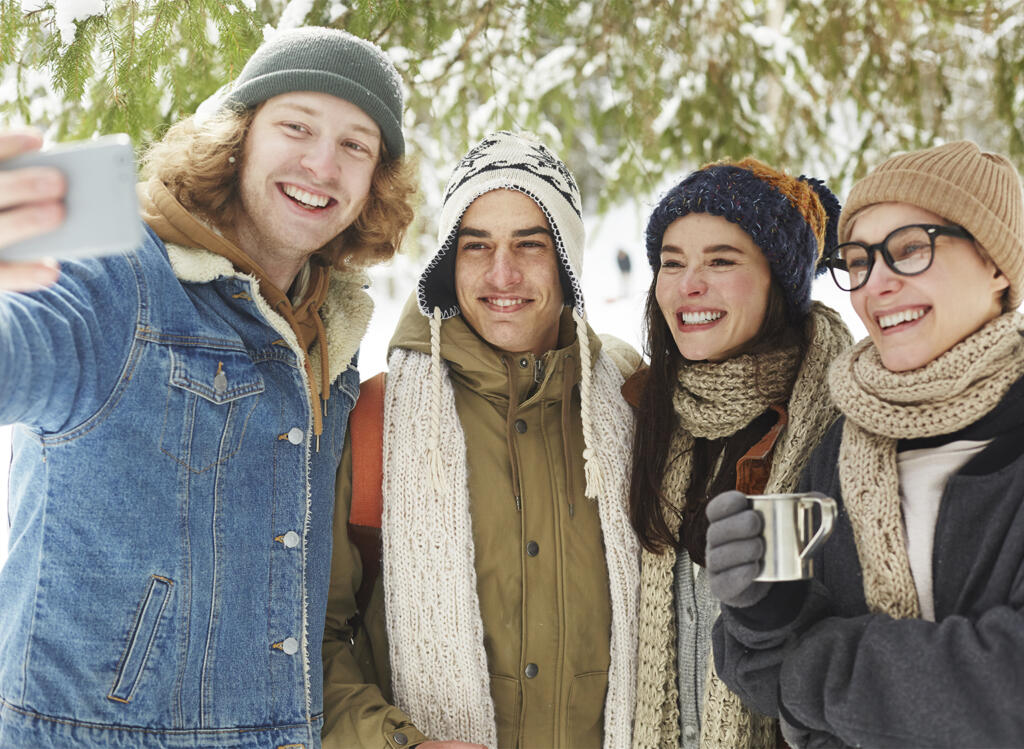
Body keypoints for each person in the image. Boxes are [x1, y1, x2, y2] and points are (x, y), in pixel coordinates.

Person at [0, 27, 415, 748]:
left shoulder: (329, 334)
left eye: (356, 144)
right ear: (237, 136)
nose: (323, 164)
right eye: (297, 126)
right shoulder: (119, 270)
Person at [321, 131, 642, 749]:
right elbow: (314, 637)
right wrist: (398, 744)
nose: (503, 273)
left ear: (567, 261)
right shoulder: (377, 420)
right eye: (476, 246)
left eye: (530, 243)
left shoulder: (631, 409)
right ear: (448, 264)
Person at [708, 140, 1024, 748]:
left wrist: (818, 670)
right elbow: (759, 675)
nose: (875, 284)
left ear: (997, 265)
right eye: (857, 261)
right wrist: (766, 607)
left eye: (909, 249)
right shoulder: (841, 445)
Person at [626, 159, 852, 749]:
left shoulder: (842, 427)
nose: (688, 285)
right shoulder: (649, 415)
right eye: (672, 262)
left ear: (780, 281)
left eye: (721, 261)